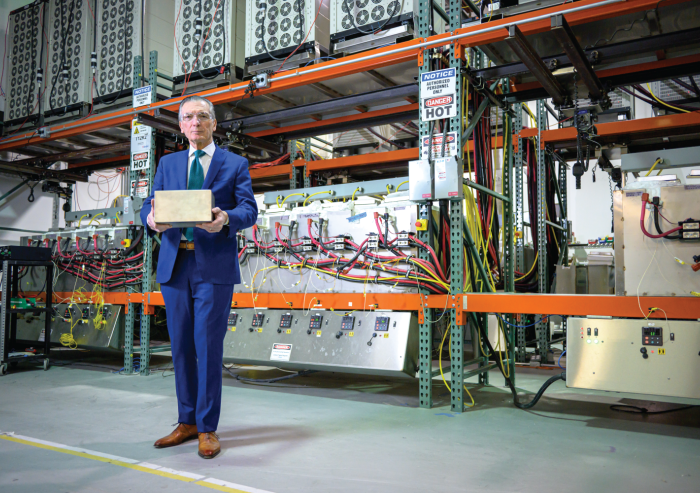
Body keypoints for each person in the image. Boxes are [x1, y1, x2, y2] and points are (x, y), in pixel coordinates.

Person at [140, 95, 257, 459]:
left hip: (213, 266)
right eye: (188, 117)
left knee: (207, 348)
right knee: (180, 348)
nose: (195, 123)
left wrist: (225, 220)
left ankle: (207, 428)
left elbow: (249, 209)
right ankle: (186, 421)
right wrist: (150, 219)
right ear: (180, 125)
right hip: (176, 266)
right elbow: (149, 204)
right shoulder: (168, 163)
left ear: (214, 124)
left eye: (202, 117)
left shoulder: (234, 163)